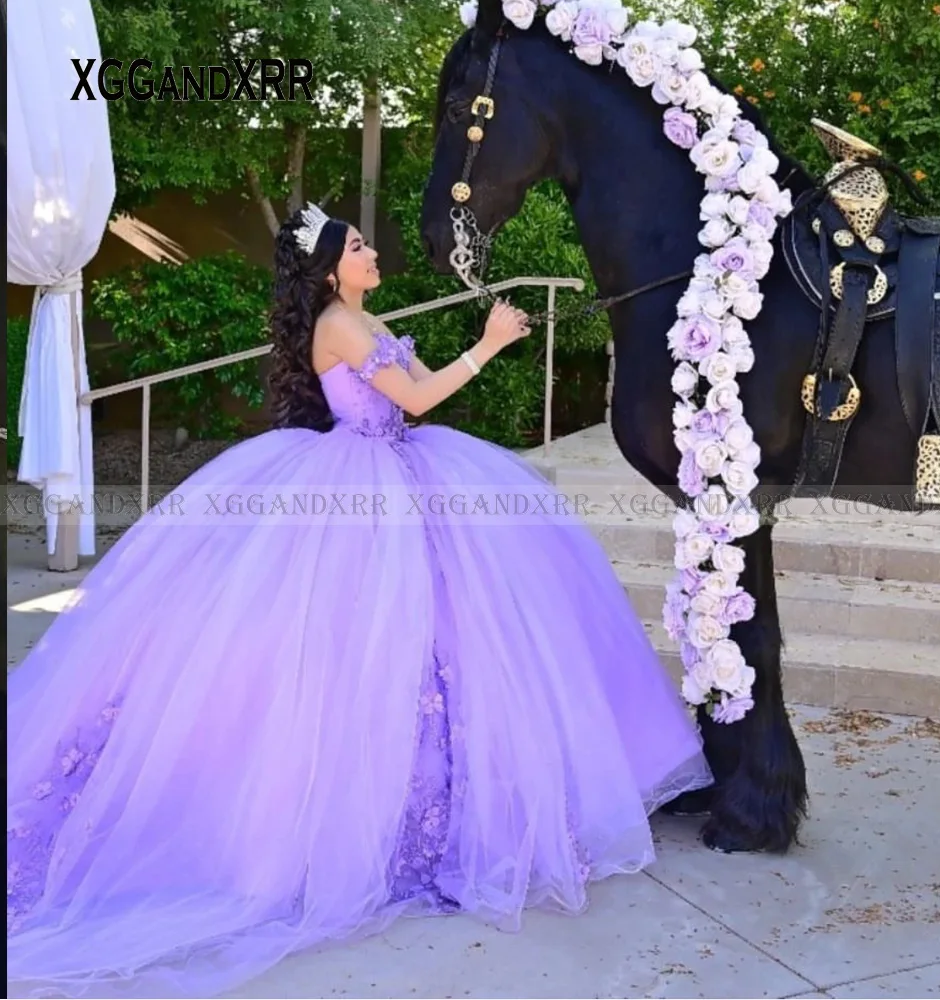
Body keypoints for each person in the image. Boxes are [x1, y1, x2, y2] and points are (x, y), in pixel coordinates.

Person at [6, 204, 713, 999]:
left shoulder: (356, 315)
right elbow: (414, 401)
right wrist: (487, 343)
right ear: (332, 268)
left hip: (405, 477)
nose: (373, 252)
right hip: (367, 491)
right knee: (364, 645)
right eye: (359, 246)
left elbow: (401, 401)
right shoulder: (340, 324)